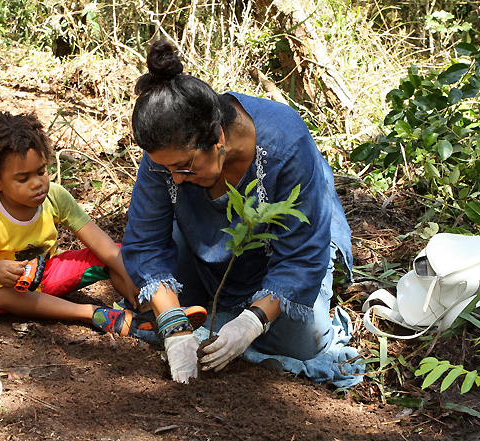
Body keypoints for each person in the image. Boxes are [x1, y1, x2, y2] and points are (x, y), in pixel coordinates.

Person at [121, 40, 354, 384]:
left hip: (286, 252)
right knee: (162, 306)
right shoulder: (168, 150)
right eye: (167, 168)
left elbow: (301, 255)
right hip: (204, 244)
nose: (174, 178)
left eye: (184, 167)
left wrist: (252, 323)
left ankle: (236, 316)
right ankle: (215, 315)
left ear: (217, 137)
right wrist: (173, 325)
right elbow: (146, 242)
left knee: (303, 340)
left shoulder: (284, 142)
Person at [0, 111, 145, 335]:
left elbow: (97, 239)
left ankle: (145, 306)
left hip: (48, 273)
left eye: (41, 172)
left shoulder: (55, 196)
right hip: (10, 287)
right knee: (0, 295)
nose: (37, 183)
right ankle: (90, 313)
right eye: (23, 179)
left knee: (116, 255)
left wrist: (126, 273)